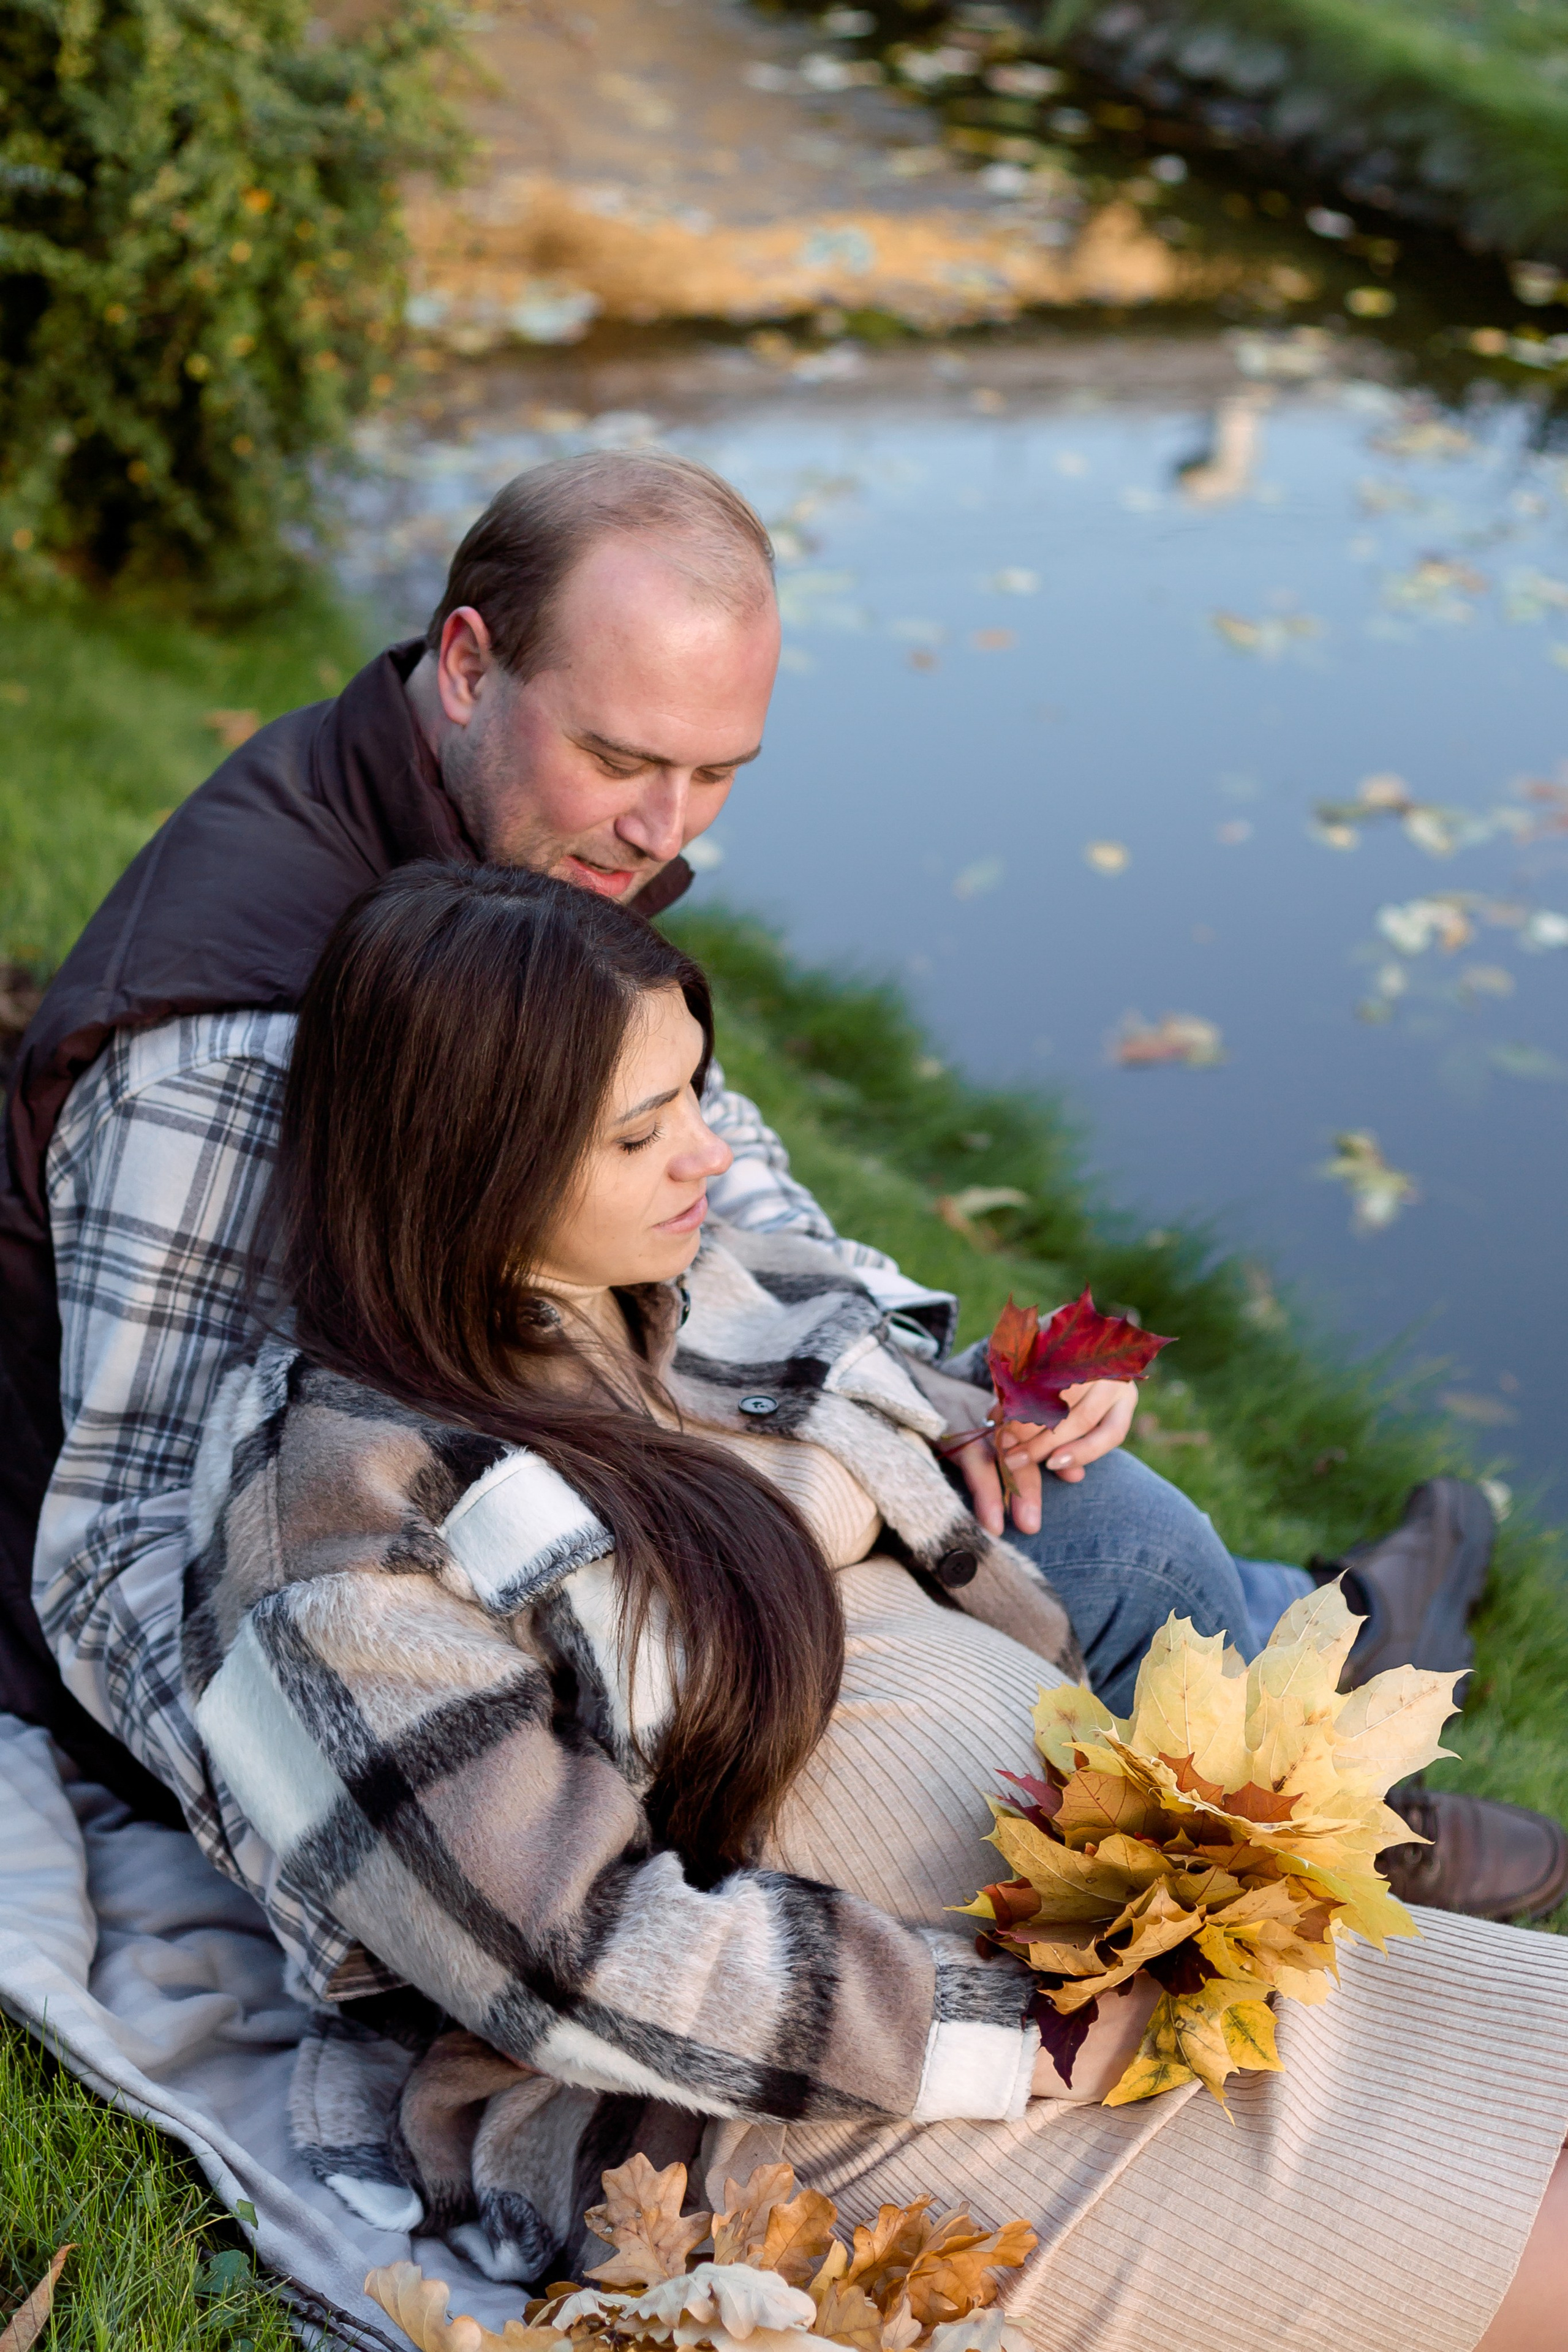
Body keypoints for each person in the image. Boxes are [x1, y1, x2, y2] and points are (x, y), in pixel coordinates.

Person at [2, 450, 1558, 1915]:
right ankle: (1325, 1762)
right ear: (467, 663)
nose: (661, 833)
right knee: (1118, 1550)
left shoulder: (521, 827)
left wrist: (935, 1369)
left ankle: (1320, 1640)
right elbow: (114, 1553)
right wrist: (381, 1850)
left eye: (713, 774)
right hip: (437, 1570)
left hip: (540, 1402)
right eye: (620, 758)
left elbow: (725, 1166)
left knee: (1065, 1491)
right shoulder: (223, 1050)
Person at [183, 864, 1568, 2352]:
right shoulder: (339, 1521)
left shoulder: (658, 1286)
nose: (706, 1154)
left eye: (694, 1096)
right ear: (465, 1159)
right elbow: (562, 1956)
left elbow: (857, 1357)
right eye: (642, 1132)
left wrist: (1014, 1406)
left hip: (1100, 1939)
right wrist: (1005, 2029)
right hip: (801, 2108)